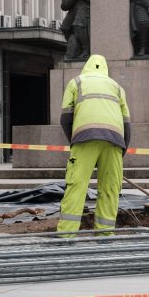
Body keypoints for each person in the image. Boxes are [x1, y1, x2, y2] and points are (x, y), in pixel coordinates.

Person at [57, 54, 131, 236]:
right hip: (115, 140)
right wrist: (121, 151)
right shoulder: (117, 87)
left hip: (84, 138)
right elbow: (126, 123)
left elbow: (66, 118)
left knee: (76, 186)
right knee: (110, 188)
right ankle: (104, 233)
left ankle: (66, 235)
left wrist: (74, 141)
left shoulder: (76, 82)